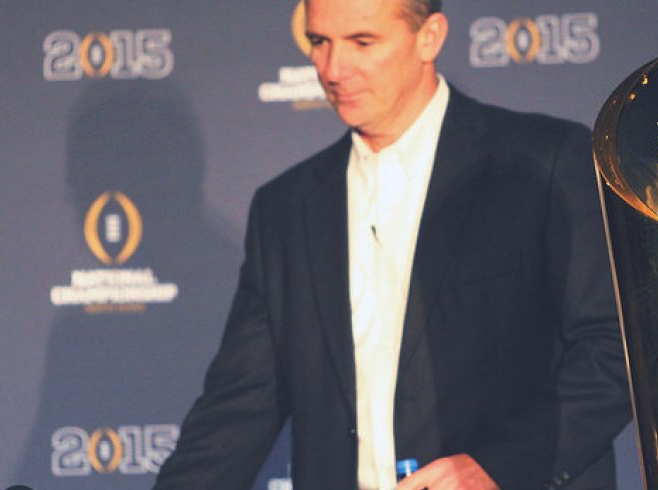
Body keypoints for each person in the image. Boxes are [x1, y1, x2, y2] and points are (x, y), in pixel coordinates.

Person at [153, 0, 631, 488]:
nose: (333, 69)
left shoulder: (544, 162)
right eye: (319, 42)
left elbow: (616, 349)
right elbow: (235, 412)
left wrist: (498, 466)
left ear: (430, 37)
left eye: (362, 42)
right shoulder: (285, 208)